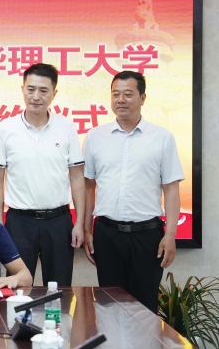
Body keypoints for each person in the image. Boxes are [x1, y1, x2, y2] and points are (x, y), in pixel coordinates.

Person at [83, 71, 184, 312]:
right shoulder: (95, 137)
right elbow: (88, 187)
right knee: (109, 306)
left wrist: (170, 235)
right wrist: (86, 229)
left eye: (128, 94)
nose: (121, 100)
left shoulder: (162, 138)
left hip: (147, 236)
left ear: (142, 98)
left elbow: (171, 189)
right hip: (107, 234)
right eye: (115, 94)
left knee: (145, 309)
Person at [0, 63, 85, 286]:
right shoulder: (5, 129)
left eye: (43, 90)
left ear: (54, 94)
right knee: (18, 290)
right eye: (30, 89)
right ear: (22, 89)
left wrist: (79, 222)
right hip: (19, 223)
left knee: (60, 289)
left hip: (59, 221)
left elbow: (77, 178)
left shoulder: (67, 127)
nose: (36, 96)